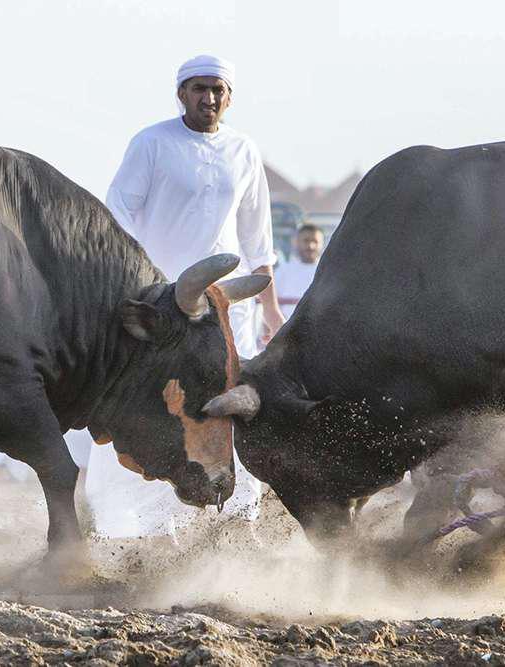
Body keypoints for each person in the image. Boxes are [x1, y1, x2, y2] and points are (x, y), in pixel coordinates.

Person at [85, 54, 285, 539]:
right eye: (199, 88)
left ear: (230, 96)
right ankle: (132, 532)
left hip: (224, 317)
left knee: (227, 411)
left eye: (218, 89)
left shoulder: (244, 150)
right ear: (181, 93)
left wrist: (271, 307)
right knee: (150, 411)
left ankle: (237, 525)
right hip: (161, 317)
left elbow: (257, 239)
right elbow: (118, 219)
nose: (208, 98)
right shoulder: (151, 143)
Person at [273, 223, 324, 319]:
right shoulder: (283, 271)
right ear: (296, 242)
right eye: (306, 241)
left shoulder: (327, 272)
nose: (310, 246)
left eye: (315, 241)